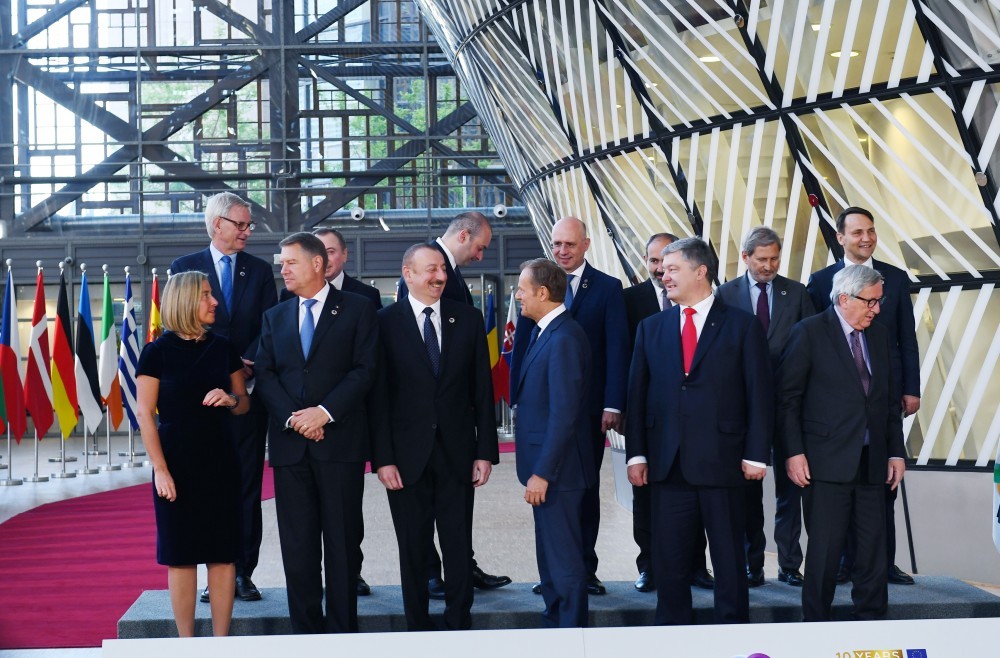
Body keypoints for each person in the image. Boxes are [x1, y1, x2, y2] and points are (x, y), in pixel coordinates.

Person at [626, 237, 773, 625]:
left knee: (729, 559)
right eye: (663, 269)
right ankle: (674, 636)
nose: (664, 276)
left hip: (724, 464)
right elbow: (637, 397)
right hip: (668, 464)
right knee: (669, 561)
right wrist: (636, 454)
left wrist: (757, 454)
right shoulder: (650, 328)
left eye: (673, 269)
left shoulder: (742, 325)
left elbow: (760, 394)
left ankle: (732, 634)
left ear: (701, 271)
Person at [254, 232, 378, 634]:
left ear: (318, 264)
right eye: (282, 263)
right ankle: (305, 635)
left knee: (342, 545)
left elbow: (365, 370)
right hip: (291, 447)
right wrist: (297, 420)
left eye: (290, 262)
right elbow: (265, 374)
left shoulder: (358, 309)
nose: (283, 270)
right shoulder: (275, 315)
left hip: (339, 445)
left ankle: (342, 635)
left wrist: (323, 414)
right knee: (298, 547)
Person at [371, 243, 500, 631]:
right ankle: (417, 626)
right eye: (430, 269)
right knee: (412, 547)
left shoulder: (469, 319)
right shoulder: (384, 323)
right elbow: (377, 397)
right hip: (404, 459)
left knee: (458, 544)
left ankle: (459, 622)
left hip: (458, 454)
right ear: (408, 274)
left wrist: (485, 452)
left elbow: (482, 390)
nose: (440, 276)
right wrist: (383, 459)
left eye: (442, 269)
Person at [778, 265, 906, 621]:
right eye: (870, 302)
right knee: (825, 551)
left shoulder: (879, 335)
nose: (876, 309)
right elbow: (787, 400)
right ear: (845, 298)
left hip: (872, 460)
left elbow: (887, 401)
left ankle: (871, 621)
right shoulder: (808, 332)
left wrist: (896, 452)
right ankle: (816, 624)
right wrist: (793, 452)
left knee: (873, 550)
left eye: (879, 302)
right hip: (824, 461)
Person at [511, 216, 630, 596]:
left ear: (586, 245)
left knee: (583, 489)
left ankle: (583, 570)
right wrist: (517, 400)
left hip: (589, 413)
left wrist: (613, 403)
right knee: (549, 494)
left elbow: (617, 348)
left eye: (569, 245)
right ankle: (555, 573)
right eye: (557, 244)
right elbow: (523, 348)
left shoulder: (608, 288)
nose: (562, 251)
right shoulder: (534, 284)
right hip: (544, 410)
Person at [396, 211, 511, 597]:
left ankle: (460, 569)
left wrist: (483, 446)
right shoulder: (421, 273)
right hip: (421, 432)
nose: (480, 256)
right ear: (463, 235)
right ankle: (434, 573)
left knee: (454, 520)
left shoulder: (454, 280)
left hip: (454, 433)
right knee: (423, 519)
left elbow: (475, 377)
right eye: (479, 247)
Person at [170, 192, 277, 603]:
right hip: (200, 400)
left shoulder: (260, 270)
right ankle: (212, 573)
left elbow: (269, 325)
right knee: (205, 489)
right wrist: (223, 364)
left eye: (249, 225)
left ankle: (242, 573)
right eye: (241, 224)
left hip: (247, 395)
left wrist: (243, 364)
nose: (247, 231)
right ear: (218, 225)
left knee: (247, 486)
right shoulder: (184, 268)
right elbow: (180, 326)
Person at [806, 206, 919, 586]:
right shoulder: (821, 281)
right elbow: (813, 340)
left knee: (882, 483)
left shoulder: (896, 278)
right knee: (841, 487)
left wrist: (911, 389)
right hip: (838, 411)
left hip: (883, 397)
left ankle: (883, 563)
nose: (866, 238)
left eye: (870, 230)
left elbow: (907, 338)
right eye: (857, 232)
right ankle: (843, 563)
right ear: (840, 237)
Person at [136, 271, 251, 637]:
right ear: (185, 300)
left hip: (221, 464)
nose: (214, 301)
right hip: (176, 465)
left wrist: (230, 398)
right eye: (205, 295)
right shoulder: (156, 353)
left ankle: (220, 644)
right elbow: (144, 414)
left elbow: (244, 403)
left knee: (223, 554)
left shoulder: (223, 347)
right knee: (181, 555)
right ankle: (186, 646)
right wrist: (160, 470)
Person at [716, 226, 815, 588]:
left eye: (774, 258)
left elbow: (811, 344)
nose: (769, 266)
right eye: (761, 259)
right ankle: (751, 564)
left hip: (790, 406)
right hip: (744, 410)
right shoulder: (725, 294)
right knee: (747, 492)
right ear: (745, 257)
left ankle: (789, 565)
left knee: (791, 490)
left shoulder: (797, 293)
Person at [624, 232, 714, 593]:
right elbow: (630, 367)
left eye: (670, 263)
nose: (662, 269)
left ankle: (696, 567)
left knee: (695, 500)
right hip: (654, 424)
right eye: (655, 261)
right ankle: (649, 566)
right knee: (648, 503)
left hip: (697, 431)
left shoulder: (715, 312)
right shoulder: (631, 301)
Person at [513, 258, 594, 628]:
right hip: (550, 471)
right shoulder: (547, 332)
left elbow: (564, 414)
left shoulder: (564, 338)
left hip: (558, 474)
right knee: (550, 559)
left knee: (564, 562)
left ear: (543, 293)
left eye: (522, 290)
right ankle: (555, 624)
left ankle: (571, 635)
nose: (518, 296)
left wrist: (542, 473)